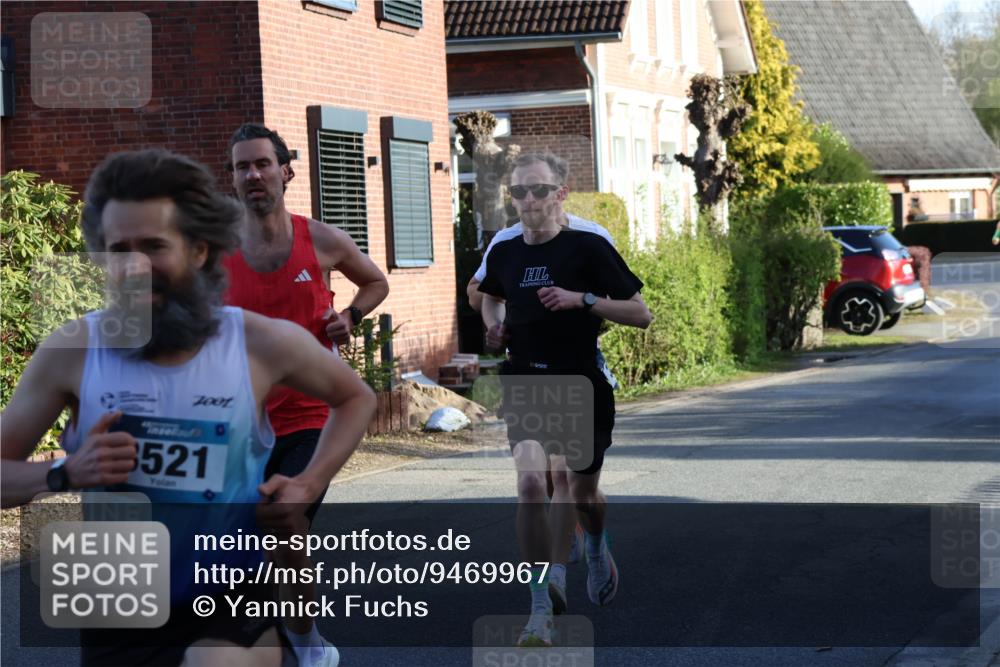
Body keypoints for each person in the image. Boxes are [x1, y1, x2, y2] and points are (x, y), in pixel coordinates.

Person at [0, 149, 377, 667]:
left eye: (154, 247)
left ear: (199, 251)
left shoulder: (257, 342)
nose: (134, 267)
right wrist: (66, 472)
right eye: (118, 250)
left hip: (229, 594)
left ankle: (302, 640)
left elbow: (356, 396)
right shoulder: (73, 349)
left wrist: (308, 483)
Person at [224, 123, 389, 667]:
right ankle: (289, 632)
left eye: (262, 164)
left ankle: (306, 645)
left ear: (286, 171)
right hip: (239, 422)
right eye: (241, 167)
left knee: (283, 521)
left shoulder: (320, 239)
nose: (252, 175)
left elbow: (375, 282)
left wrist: (349, 317)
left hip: (310, 413)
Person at [477, 153, 652, 647]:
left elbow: (641, 314)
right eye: (518, 192)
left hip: (580, 383)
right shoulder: (506, 249)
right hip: (525, 383)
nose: (528, 200)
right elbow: (489, 293)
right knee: (532, 486)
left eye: (538, 190)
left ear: (560, 193)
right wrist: (493, 326)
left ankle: (595, 547)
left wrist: (584, 300)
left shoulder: (589, 248)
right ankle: (540, 607)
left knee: (581, 494)